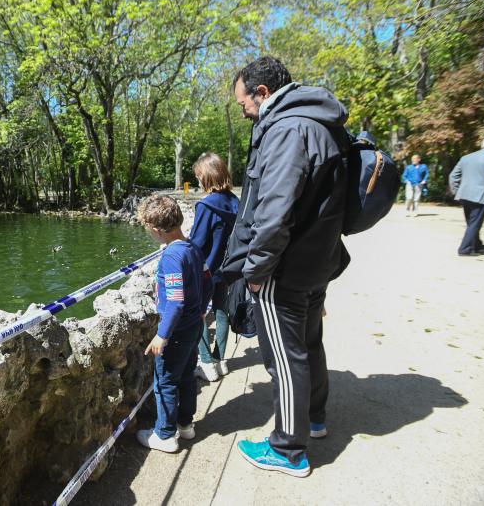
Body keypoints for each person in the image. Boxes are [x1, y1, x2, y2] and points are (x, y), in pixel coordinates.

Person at [223, 56, 350, 477]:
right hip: (318, 261)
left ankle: (287, 450)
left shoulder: (286, 130)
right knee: (309, 343)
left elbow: (273, 212)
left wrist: (257, 271)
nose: (243, 112)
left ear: (262, 93)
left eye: (244, 104)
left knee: (283, 355)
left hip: (284, 268)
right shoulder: (321, 123)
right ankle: (314, 419)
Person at [136, 194, 213, 453]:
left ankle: (165, 434)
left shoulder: (171, 257)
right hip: (194, 325)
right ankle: (185, 424)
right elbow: (208, 280)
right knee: (187, 375)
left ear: (157, 230)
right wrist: (202, 309)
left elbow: (176, 301)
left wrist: (162, 335)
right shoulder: (192, 248)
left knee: (166, 380)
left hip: (177, 329)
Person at [189, 153, 239, 382]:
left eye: (199, 176)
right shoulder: (234, 201)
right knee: (221, 312)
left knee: (195, 313)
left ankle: (207, 363)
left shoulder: (206, 205)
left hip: (206, 269)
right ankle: (220, 361)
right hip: (228, 268)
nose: (198, 181)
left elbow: (197, 242)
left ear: (208, 176)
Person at [449, 137, 484, 256]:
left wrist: (456, 191)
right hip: (482, 195)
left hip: (464, 194)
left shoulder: (466, 157)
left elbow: (453, 176)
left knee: (471, 222)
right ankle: (465, 249)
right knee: (475, 223)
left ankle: (476, 244)